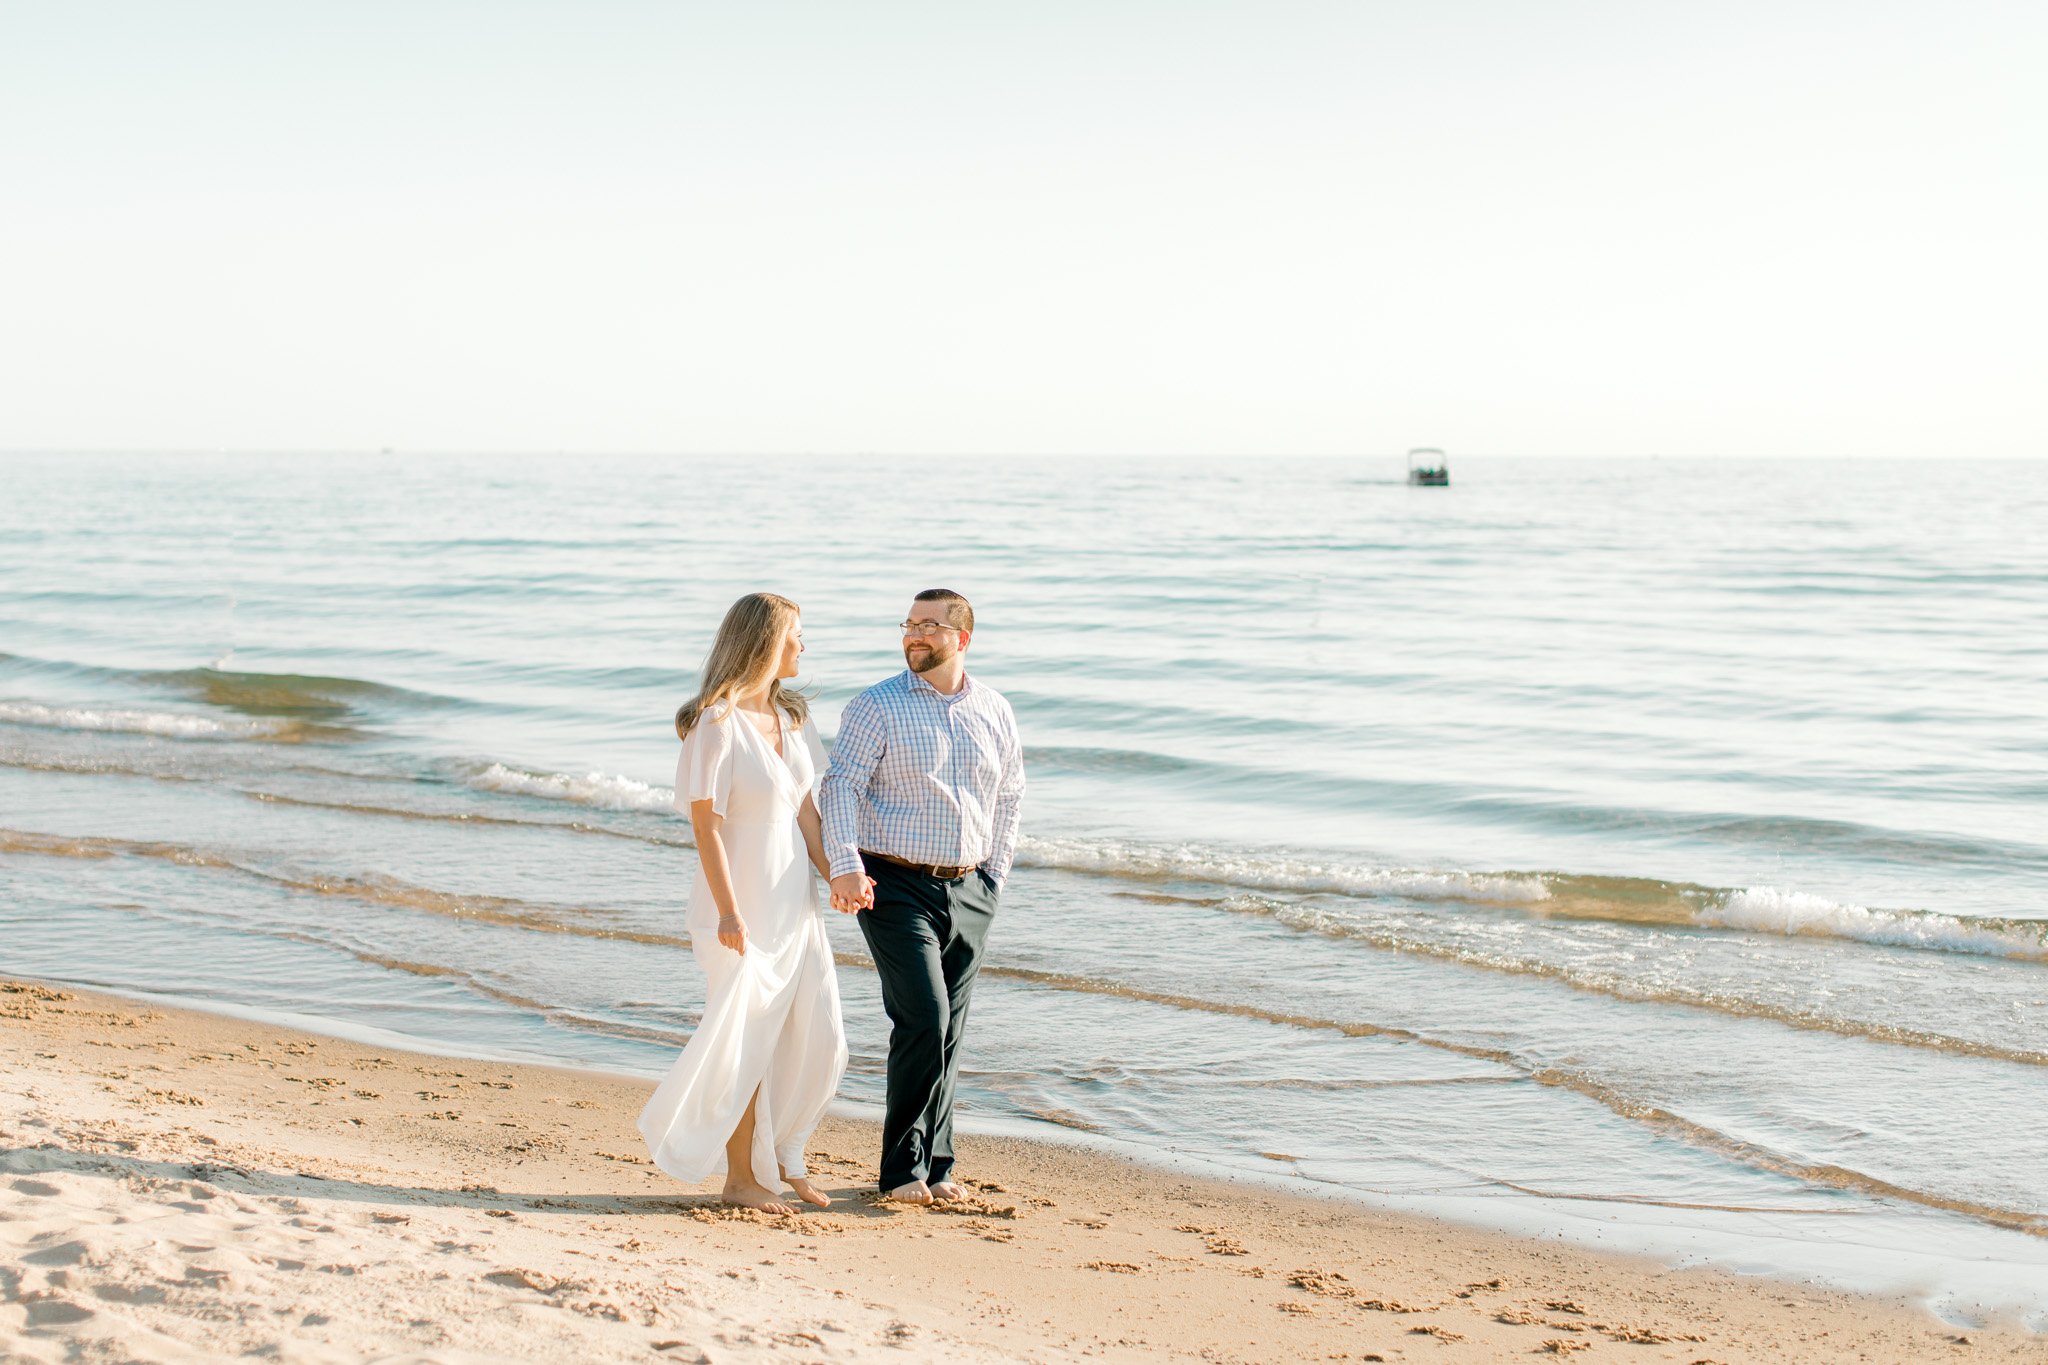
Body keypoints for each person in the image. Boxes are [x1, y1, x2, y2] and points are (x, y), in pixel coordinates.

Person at [638, 592, 852, 1214]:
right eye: (796, 636)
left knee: (819, 1035)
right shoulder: (717, 724)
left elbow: (807, 814)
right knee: (746, 1042)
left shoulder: (791, 720)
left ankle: (786, 1160)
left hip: (794, 906)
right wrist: (731, 912)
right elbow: (706, 827)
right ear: (765, 642)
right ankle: (741, 1179)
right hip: (739, 908)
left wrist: (838, 875)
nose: (803, 648)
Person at [820, 588, 1025, 1204]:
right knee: (925, 1018)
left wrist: (994, 877)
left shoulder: (994, 708)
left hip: (970, 886)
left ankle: (938, 1166)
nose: (915, 635)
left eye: (930, 626)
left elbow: (1010, 795)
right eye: (909, 624)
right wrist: (845, 865)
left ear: (962, 639)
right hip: (892, 882)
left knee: (952, 1028)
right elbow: (841, 789)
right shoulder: (875, 705)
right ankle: (901, 1171)